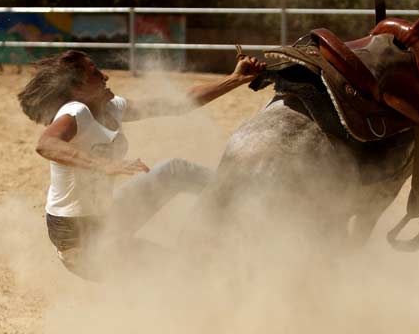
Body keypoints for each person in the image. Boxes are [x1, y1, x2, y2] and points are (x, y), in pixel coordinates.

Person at [18, 50, 266, 279]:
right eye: (94, 73)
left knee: (176, 170)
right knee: (182, 272)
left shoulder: (112, 107)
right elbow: (46, 144)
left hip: (107, 216)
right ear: (77, 90)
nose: (105, 76)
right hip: (80, 241)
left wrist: (234, 79)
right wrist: (101, 165)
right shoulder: (76, 111)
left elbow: (178, 103)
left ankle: (257, 201)